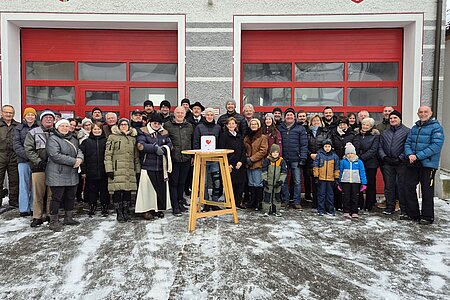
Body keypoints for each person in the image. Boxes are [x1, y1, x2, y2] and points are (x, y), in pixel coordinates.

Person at [404, 106, 444, 225]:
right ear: (417, 113)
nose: (423, 114)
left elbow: (436, 146)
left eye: (425, 112)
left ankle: (427, 216)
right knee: (408, 186)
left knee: (427, 190)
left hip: (428, 164)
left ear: (430, 113)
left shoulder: (436, 128)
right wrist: (410, 154)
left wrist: (418, 156)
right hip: (413, 163)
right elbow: (408, 143)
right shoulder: (415, 128)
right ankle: (413, 214)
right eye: (420, 112)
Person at [46, 119, 84, 231]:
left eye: (66, 126)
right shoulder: (53, 139)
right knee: (56, 198)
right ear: (57, 127)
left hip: (71, 173)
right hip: (57, 173)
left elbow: (79, 151)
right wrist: (74, 161)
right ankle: (53, 221)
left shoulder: (73, 138)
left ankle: (68, 218)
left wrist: (80, 159)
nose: (64, 128)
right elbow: (55, 155)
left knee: (70, 197)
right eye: (62, 126)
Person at [135, 114, 172, 219]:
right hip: (147, 166)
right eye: (155, 123)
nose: (156, 125)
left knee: (159, 190)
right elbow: (140, 145)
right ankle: (145, 210)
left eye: (159, 123)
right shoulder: (143, 131)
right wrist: (154, 148)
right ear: (150, 122)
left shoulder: (164, 132)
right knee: (147, 190)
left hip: (160, 166)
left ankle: (156, 209)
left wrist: (165, 148)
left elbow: (170, 144)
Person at [105, 118, 140, 222]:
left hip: (129, 169)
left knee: (127, 192)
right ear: (119, 126)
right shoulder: (112, 137)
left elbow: (136, 156)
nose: (124, 126)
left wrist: (137, 170)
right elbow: (108, 154)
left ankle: (126, 211)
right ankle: (119, 213)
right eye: (122, 124)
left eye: (126, 124)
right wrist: (109, 169)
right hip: (117, 169)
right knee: (117, 191)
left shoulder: (132, 138)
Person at [24, 110, 55, 227]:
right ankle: (37, 216)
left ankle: (49, 214)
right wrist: (38, 161)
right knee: (38, 193)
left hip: (54, 168)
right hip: (38, 167)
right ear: (41, 120)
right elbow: (28, 149)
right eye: (46, 117)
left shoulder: (57, 132)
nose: (48, 119)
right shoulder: (33, 132)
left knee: (51, 193)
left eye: (51, 118)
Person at [378, 110, 409, 216]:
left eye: (395, 118)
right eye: (391, 118)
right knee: (389, 185)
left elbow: (408, 146)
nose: (392, 120)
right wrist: (384, 157)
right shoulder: (385, 132)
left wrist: (400, 158)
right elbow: (380, 146)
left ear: (400, 119)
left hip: (401, 163)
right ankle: (389, 206)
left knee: (401, 185)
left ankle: (403, 208)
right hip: (387, 163)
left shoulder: (406, 131)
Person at [164, 106, 193, 216]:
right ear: (174, 114)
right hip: (173, 159)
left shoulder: (189, 126)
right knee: (174, 183)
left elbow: (191, 140)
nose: (180, 114)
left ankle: (180, 202)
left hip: (186, 158)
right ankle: (175, 205)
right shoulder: (167, 125)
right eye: (178, 113)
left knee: (182, 182)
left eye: (182, 113)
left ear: (185, 114)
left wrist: (192, 156)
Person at [277, 108, 308, 210]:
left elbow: (304, 144)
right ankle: (285, 200)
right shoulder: (280, 128)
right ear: (284, 117)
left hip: (296, 159)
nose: (289, 117)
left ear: (294, 117)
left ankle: (296, 201)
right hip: (284, 159)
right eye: (287, 115)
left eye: (291, 115)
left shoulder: (300, 128)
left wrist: (303, 157)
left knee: (297, 181)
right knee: (284, 181)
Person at [193, 107, 222, 211]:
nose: (209, 116)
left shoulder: (218, 127)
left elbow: (219, 143)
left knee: (217, 182)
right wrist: (198, 156)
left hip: (214, 159)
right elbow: (195, 142)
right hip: (203, 160)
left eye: (211, 115)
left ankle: (214, 202)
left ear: (214, 116)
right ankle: (206, 202)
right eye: (207, 115)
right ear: (204, 115)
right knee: (203, 183)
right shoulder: (199, 127)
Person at [13, 107, 39, 217]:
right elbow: (16, 144)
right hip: (23, 160)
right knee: (23, 184)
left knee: (35, 185)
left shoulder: (38, 128)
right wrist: (28, 156)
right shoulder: (18, 128)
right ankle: (23, 208)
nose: (30, 117)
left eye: (32, 115)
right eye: (28, 114)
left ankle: (33, 207)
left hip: (36, 161)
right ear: (24, 116)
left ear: (35, 116)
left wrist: (35, 157)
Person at [79, 122, 109, 217]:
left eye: (98, 129)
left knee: (104, 190)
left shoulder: (106, 141)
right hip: (90, 170)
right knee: (92, 190)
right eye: (95, 129)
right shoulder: (86, 142)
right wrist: (83, 170)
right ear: (91, 130)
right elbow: (82, 157)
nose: (97, 131)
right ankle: (92, 205)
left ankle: (104, 205)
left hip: (103, 170)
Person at [218, 117, 247, 208]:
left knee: (240, 184)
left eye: (233, 123)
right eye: (229, 124)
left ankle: (237, 202)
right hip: (229, 164)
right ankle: (229, 202)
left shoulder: (239, 136)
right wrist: (227, 164)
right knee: (230, 184)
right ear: (226, 125)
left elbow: (243, 150)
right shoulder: (223, 136)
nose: (231, 125)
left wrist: (241, 161)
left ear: (236, 125)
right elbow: (222, 150)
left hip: (239, 164)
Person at [330, 116, 357, 211]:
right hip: (336, 161)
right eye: (340, 124)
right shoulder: (334, 134)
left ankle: (347, 204)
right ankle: (337, 204)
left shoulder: (351, 135)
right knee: (337, 181)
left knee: (347, 183)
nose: (342, 126)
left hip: (348, 162)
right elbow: (331, 146)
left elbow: (355, 147)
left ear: (347, 125)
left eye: (344, 124)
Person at [354, 117, 380, 211]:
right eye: (364, 124)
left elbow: (373, 150)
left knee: (370, 184)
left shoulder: (375, 136)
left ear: (371, 126)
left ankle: (370, 204)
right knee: (358, 183)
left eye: (367, 125)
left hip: (370, 163)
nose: (365, 126)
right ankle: (359, 203)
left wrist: (361, 157)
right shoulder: (357, 135)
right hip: (358, 163)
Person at [306, 115, 331, 208]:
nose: (316, 122)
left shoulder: (326, 132)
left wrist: (319, 154)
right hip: (311, 160)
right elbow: (304, 145)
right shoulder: (307, 133)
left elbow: (328, 144)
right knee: (314, 182)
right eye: (314, 120)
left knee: (322, 183)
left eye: (318, 120)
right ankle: (316, 203)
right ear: (311, 122)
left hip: (323, 159)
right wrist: (310, 154)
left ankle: (323, 203)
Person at [244, 118, 268, 210]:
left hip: (257, 163)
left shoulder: (262, 137)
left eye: (255, 124)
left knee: (258, 183)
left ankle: (259, 202)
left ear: (258, 126)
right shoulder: (247, 137)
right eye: (252, 124)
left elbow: (263, 151)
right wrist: (246, 158)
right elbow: (244, 149)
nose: (253, 126)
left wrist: (252, 159)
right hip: (248, 164)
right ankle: (252, 201)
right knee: (251, 183)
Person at [339, 142, 367, 219]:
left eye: (351, 153)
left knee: (355, 197)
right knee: (346, 197)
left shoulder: (359, 162)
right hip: (345, 182)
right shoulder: (343, 162)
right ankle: (346, 211)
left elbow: (362, 172)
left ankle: (354, 211)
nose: (350, 155)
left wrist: (364, 183)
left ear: (354, 153)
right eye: (348, 153)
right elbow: (340, 172)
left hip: (356, 182)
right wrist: (339, 182)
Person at [313, 139, 340, 216]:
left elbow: (337, 168)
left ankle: (330, 209)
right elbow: (316, 166)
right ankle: (321, 209)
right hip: (321, 178)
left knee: (330, 195)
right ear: (323, 147)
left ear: (331, 147)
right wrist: (316, 176)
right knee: (321, 194)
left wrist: (336, 178)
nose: (327, 148)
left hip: (331, 179)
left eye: (329, 146)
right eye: (325, 146)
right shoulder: (319, 155)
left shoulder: (335, 156)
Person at [0, 104, 19, 208]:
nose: (8, 114)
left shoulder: (18, 126)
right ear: (2, 113)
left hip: (14, 156)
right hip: (0, 155)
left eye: (10, 113)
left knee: (14, 180)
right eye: (6, 112)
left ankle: (13, 201)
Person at [261, 144, 287, 217]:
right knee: (267, 197)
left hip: (277, 183)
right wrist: (264, 180)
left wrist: (280, 181)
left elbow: (284, 172)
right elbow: (264, 171)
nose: (275, 154)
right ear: (270, 152)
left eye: (277, 152)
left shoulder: (281, 161)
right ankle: (266, 210)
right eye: (273, 152)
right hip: (268, 183)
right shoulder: (267, 160)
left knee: (277, 197)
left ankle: (276, 210)